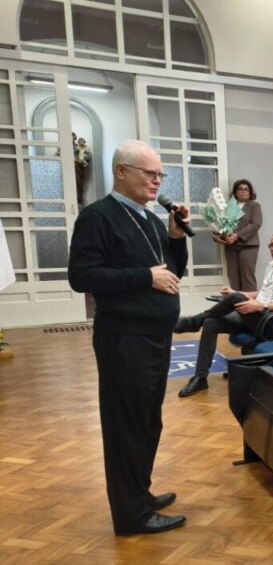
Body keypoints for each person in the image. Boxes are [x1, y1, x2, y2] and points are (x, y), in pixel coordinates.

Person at [68, 139, 190, 535]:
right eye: (150, 173)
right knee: (126, 426)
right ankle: (130, 515)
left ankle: (140, 493)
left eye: (160, 175)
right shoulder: (98, 217)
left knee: (147, 422)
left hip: (154, 335)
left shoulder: (149, 219)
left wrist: (175, 237)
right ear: (121, 171)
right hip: (124, 337)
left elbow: (172, 273)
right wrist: (144, 277)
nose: (157, 181)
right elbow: (81, 276)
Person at [175, 232, 273, 397]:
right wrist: (236, 293)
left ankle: (195, 321)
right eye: (271, 245)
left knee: (235, 299)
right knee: (211, 323)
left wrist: (261, 305)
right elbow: (260, 293)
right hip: (256, 317)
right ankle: (200, 377)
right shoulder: (272, 266)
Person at [213, 178, 261, 292]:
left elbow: (256, 224)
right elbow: (219, 225)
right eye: (240, 189)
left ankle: (250, 302)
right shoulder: (227, 207)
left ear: (250, 193)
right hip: (231, 246)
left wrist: (237, 235)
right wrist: (217, 237)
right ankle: (236, 301)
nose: (243, 191)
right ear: (235, 192)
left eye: (246, 189)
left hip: (248, 245)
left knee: (247, 277)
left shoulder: (254, 206)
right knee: (233, 277)